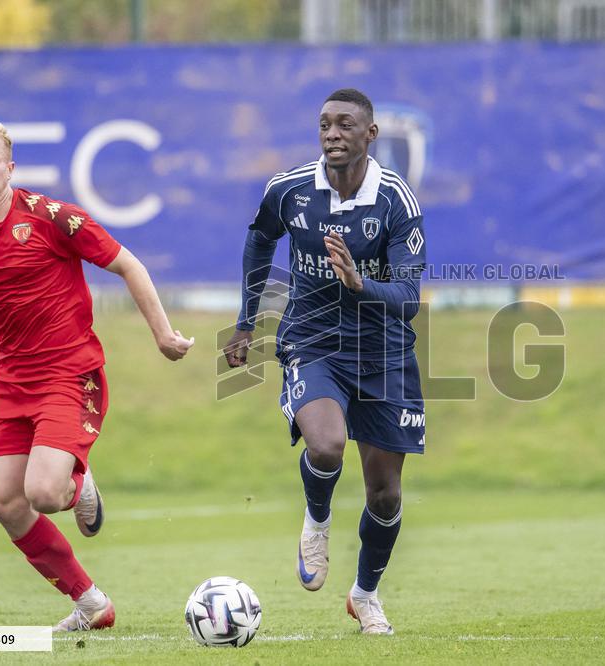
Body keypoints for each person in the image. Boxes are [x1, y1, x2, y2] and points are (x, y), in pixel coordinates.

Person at [0, 119, 194, 631]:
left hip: (70, 373)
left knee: (45, 493)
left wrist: (163, 336)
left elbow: (128, 265)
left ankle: (77, 483)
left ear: (11, 167)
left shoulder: (51, 217)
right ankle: (92, 604)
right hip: (11, 380)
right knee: (6, 504)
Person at [224, 88, 426, 634]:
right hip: (312, 340)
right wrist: (246, 321)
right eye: (324, 125)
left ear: (370, 135)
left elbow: (409, 295)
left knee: (385, 494)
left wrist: (360, 285)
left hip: (382, 350)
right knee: (327, 444)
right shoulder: (289, 190)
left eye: (344, 125)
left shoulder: (395, 201)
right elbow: (258, 242)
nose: (332, 134)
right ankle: (317, 519)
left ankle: (365, 595)